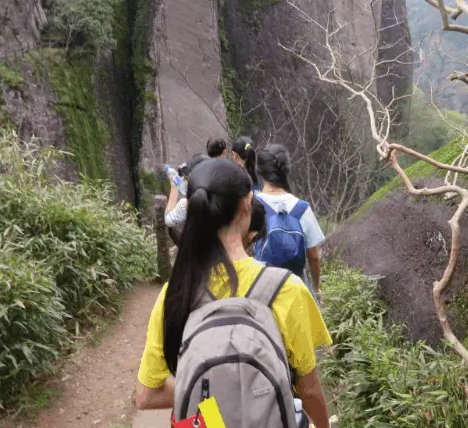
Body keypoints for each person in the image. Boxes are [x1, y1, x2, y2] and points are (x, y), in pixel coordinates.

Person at [135, 158, 331, 428]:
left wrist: (213, 392)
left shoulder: (175, 293)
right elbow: (308, 390)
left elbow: (147, 396)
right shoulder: (286, 289)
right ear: (247, 205)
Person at [255, 144, 325, 301]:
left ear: (259, 171)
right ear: (286, 169)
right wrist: (316, 288)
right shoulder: (302, 209)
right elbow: (314, 257)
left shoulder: (253, 206)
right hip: (296, 287)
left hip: (263, 289)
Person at [164, 154, 209, 230]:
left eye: (186, 179)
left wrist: (174, 188)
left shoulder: (188, 203)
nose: (185, 182)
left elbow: (168, 220)